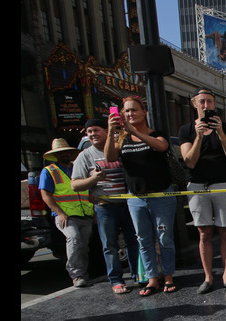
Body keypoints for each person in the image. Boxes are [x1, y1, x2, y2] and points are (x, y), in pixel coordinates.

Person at [105, 96, 177, 296]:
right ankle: (152, 278)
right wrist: (112, 132)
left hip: (161, 195)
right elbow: (110, 157)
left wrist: (135, 131)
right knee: (143, 239)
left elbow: (161, 146)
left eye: (134, 110)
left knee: (164, 239)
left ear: (144, 112)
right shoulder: (121, 138)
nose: (130, 114)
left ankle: (169, 276)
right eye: (126, 111)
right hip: (135, 198)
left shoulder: (157, 134)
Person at [179, 88, 226, 294]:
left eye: (210, 102)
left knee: (225, 230)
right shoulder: (186, 130)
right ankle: (207, 277)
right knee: (204, 233)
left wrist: (220, 132)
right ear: (194, 104)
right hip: (198, 185)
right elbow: (189, 162)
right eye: (202, 102)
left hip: (223, 183)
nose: (206, 106)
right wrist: (198, 136)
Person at [71, 118, 139, 294]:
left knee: (134, 242)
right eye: (89, 131)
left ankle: (138, 276)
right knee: (110, 246)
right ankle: (116, 280)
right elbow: (75, 185)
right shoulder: (85, 156)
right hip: (105, 207)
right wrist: (93, 179)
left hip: (129, 204)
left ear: (106, 131)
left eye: (96, 130)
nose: (92, 134)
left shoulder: (121, 148)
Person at [39, 138, 94, 288]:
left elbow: (88, 191)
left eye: (66, 152)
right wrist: (59, 213)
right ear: (55, 155)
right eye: (60, 153)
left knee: (83, 245)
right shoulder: (49, 171)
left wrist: (94, 210)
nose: (64, 155)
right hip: (66, 216)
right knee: (74, 239)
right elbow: (46, 195)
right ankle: (76, 275)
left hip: (84, 214)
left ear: (70, 153)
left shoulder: (78, 168)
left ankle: (83, 273)